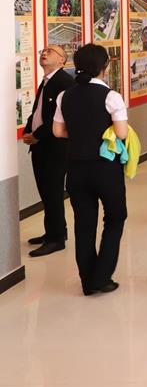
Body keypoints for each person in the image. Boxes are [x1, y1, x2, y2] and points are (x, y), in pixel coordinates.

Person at [51, 44, 129, 296]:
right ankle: (102, 276)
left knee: (84, 224)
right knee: (115, 217)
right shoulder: (111, 96)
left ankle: (87, 280)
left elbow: (58, 131)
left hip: (75, 168)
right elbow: (121, 133)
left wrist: (80, 133)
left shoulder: (65, 95)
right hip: (105, 168)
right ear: (105, 66)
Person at [22, 45, 75, 257]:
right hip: (41, 145)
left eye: (50, 51)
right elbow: (38, 111)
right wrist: (28, 130)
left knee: (52, 192)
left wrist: (36, 135)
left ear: (62, 60)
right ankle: (54, 231)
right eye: (43, 51)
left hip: (54, 147)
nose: (44, 53)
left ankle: (56, 239)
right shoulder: (47, 81)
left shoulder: (64, 82)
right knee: (47, 192)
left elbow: (56, 117)